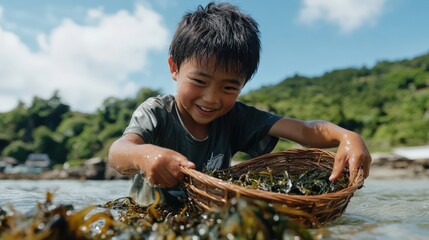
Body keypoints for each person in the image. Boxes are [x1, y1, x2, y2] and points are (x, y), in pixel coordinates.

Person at [108, 2, 371, 207]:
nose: (211, 98)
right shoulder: (157, 112)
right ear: (174, 68)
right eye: (199, 81)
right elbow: (119, 153)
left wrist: (345, 136)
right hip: (148, 216)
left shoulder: (236, 118)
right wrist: (144, 156)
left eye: (229, 87)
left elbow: (304, 131)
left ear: (243, 85)